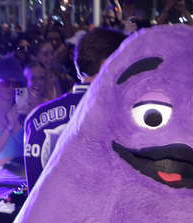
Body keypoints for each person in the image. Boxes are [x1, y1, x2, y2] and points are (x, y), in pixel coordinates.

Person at [24, 28, 126, 190]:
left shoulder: (37, 116)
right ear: (107, 63)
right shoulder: (122, 117)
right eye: (124, 62)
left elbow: (33, 194)